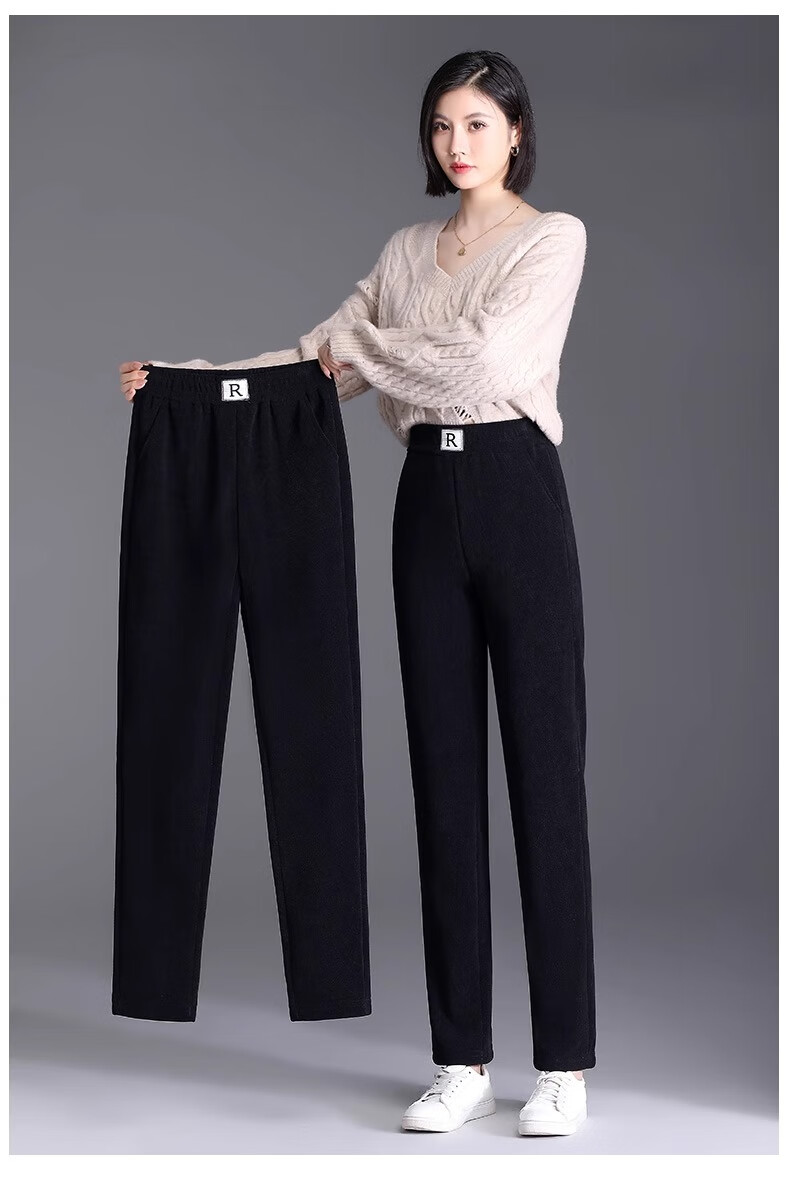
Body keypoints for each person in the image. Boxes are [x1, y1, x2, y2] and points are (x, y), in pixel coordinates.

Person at [119, 48, 595, 1138]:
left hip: (519, 497)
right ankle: (462, 1059)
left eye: (478, 124)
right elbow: (312, 365)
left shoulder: (552, 238)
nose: (458, 144)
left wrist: (368, 350)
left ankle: (564, 1064)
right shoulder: (405, 251)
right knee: (442, 783)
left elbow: (482, 368)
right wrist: (188, 383)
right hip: (425, 504)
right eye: (442, 125)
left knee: (545, 781)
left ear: (516, 132)